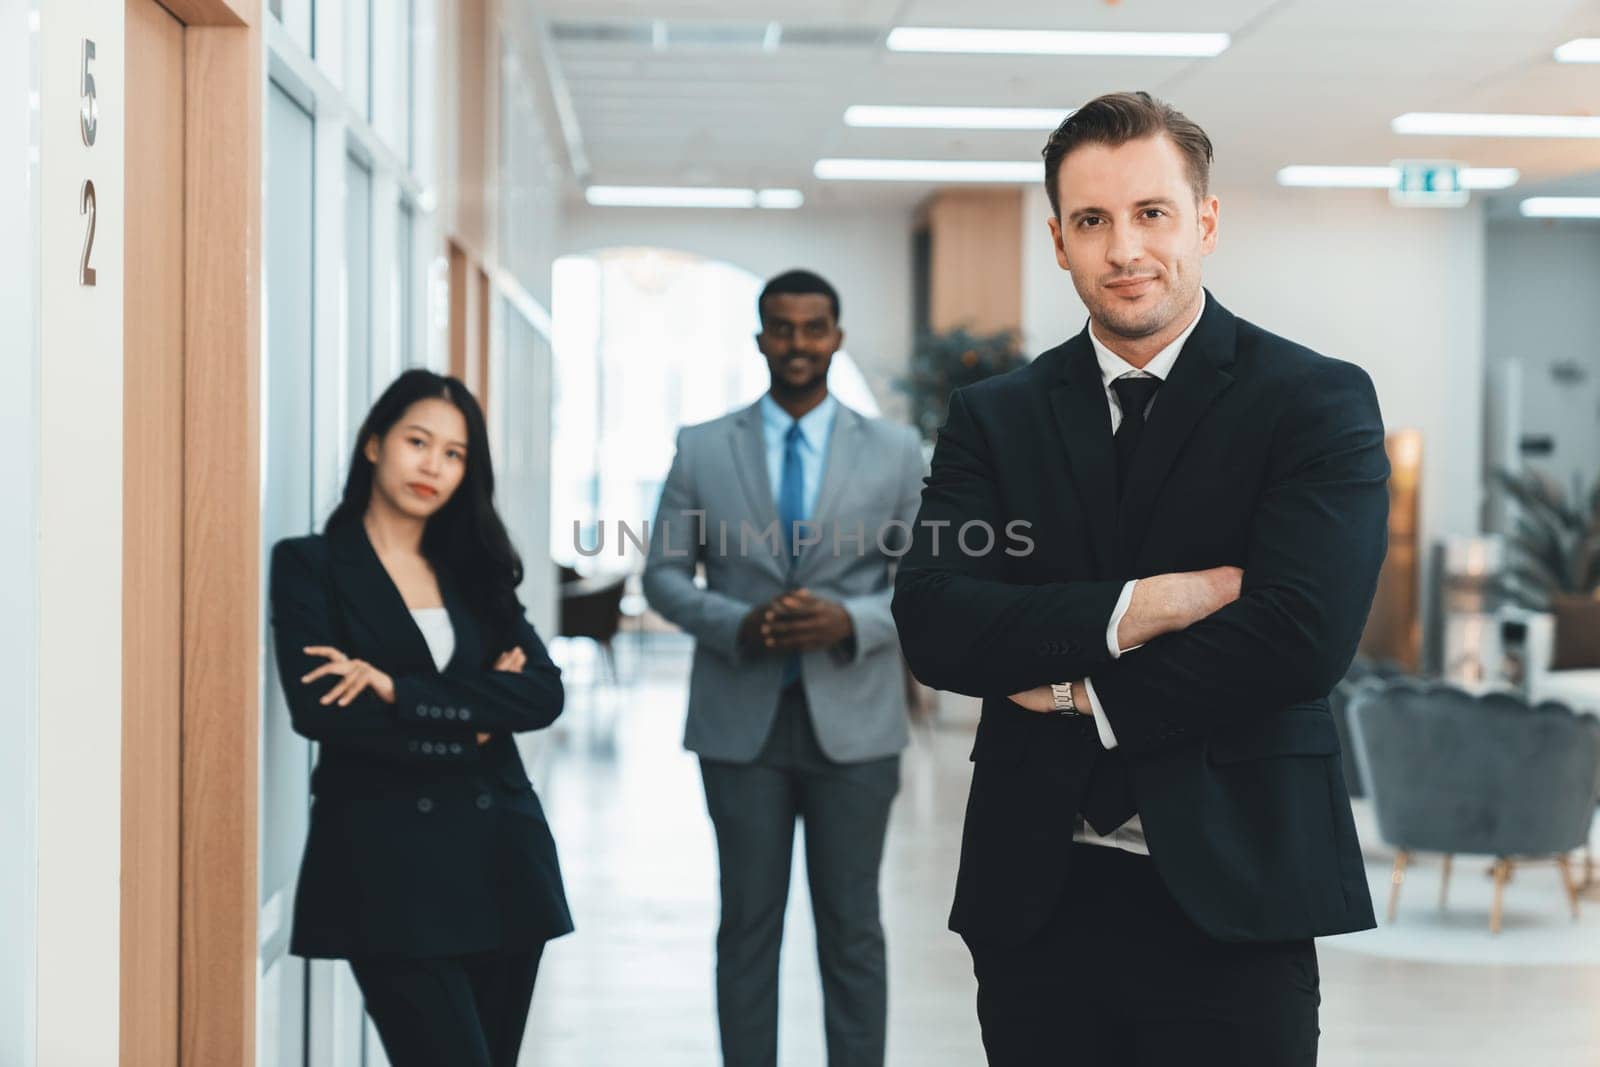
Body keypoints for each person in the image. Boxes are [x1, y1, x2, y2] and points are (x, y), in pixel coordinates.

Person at [891, 91, 1388, 1066]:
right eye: (1092, 220)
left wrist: (1075, 686)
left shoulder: (1313, 401)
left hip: (1238, 891)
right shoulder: (996, 415)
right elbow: (936, 621)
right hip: (1035, 898)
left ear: (1203, 221)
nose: (1124, 248)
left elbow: (1299, 635)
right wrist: (1146, 605)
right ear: (1058, 240)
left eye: (1151, 213)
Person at [643, 269, 926, 1067]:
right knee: (747, 924)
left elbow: (927, 582)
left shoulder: (897, 450)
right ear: (760, 336)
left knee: (853, 927)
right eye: (781, 327)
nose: (798, 343)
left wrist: (854, 619)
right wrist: (739, 625)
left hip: (858, 728)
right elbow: (662, 574)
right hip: (741, 727)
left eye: (814, 328)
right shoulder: (702, 446)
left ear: (835, 336)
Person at [268, 369, 572, 1067]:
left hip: (502, 861)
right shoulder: (310, 565)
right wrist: (479, 717)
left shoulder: (475, 570)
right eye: (417, 441)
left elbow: (544, 693)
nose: (433, 464)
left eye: (455, 453)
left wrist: (401, 696)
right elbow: (323, 713)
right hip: (387, 868)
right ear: (374, 443)